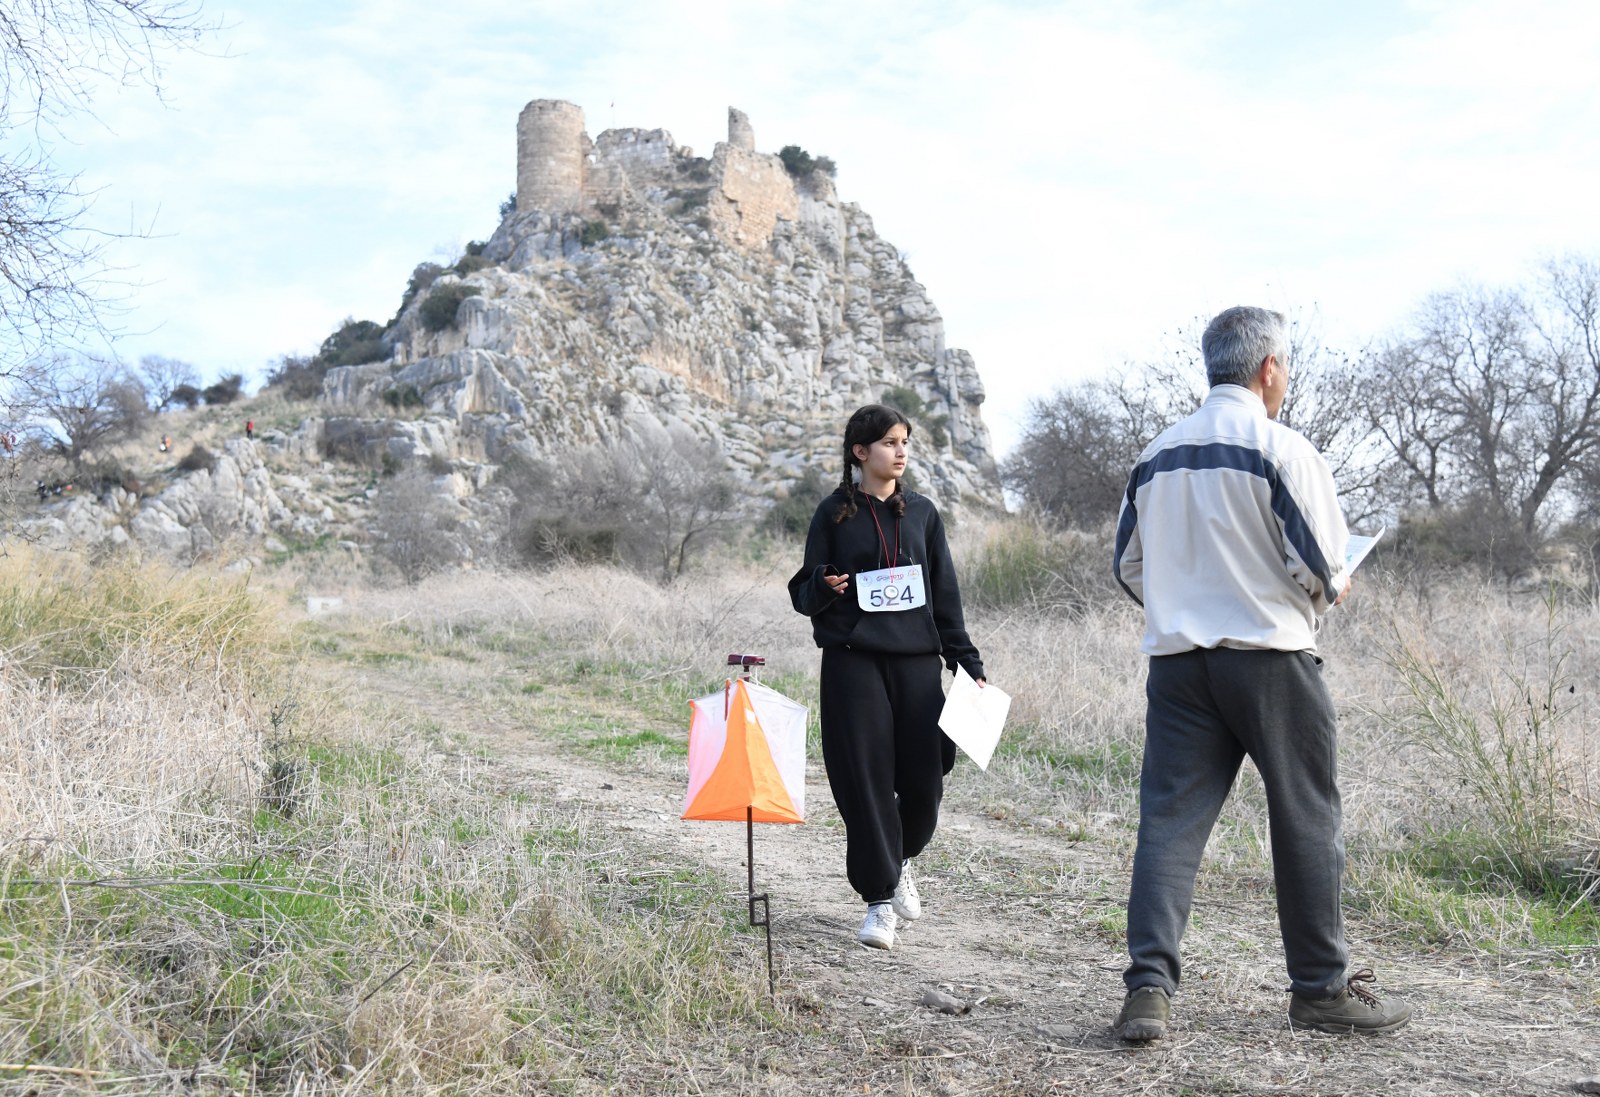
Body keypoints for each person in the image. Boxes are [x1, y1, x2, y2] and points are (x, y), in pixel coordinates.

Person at [1110, 306, 1410, 1040]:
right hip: (1272, 660)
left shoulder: (1157, 454)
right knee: (1306, 815)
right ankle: (1320, 988)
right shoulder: (1281, 448)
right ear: (1268, 367)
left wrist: (1185, 602)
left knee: (1170, 823)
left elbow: (1127, 566)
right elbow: (1320, 565)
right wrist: (1329, 585)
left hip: (1180, 667)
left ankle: (1148, 989)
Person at [788, 403, 986, 951]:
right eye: (890, 443)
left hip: (919, 664)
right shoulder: (833, 513)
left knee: (926, 781)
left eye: (905, 443)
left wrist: (967, 663)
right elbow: (802, 593)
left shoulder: (922, 513)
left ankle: (899, 859)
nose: (901, 452)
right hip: (854, 663)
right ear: (860, 452)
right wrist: (825, 587)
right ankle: (880, 901)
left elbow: (945, 595)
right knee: (867, 779)